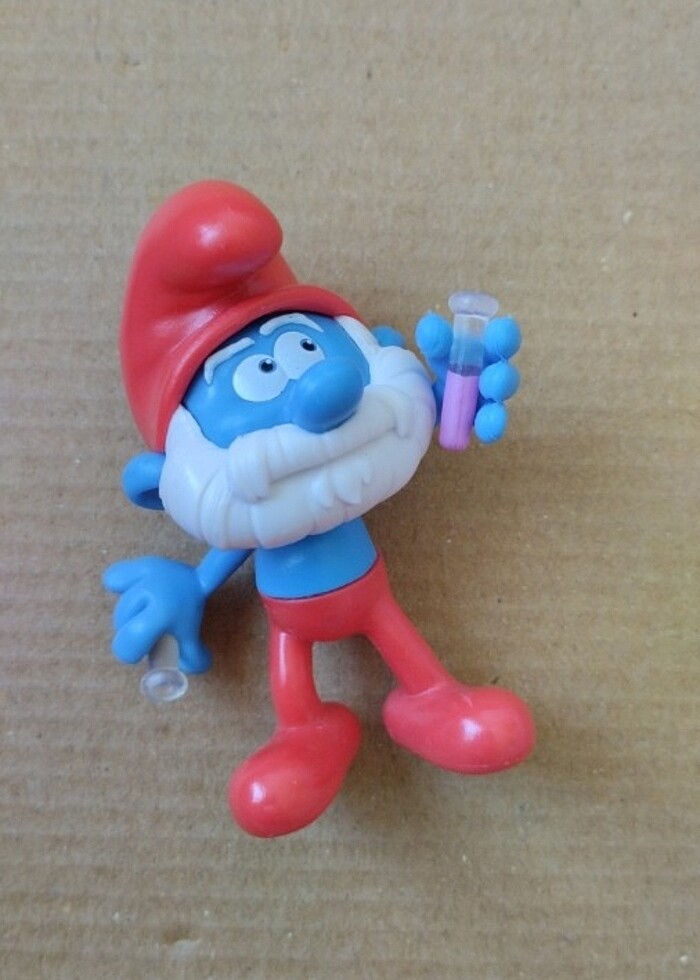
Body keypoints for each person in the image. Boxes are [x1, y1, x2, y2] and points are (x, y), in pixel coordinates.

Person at [103, 181, 534, 837]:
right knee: (298, 675)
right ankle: (304, 732)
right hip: (291, 615)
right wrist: (188, 585)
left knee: (393, 630)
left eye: (306, 346)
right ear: (160, 482)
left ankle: (432, 699)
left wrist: (453, 399)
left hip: (368, 594)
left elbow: (403, 415)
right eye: (259, 373)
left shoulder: (366, 420)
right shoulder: (237, 503)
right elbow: (224, 550)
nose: (321, 393)